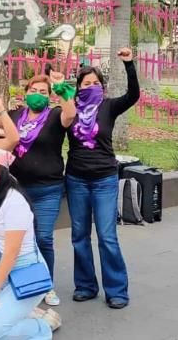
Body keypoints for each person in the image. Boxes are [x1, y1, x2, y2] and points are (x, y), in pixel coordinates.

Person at [0, 70, 76, 306]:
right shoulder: (16, 115)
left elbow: (71, 114)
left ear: (49, 96)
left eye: (43, 92)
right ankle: (17, 282)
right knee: (16, 238)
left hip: (48, 189)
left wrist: (61, 90)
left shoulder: (55, 115)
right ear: (25, 93)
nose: (37, 95)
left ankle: (46, 285)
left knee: (43, 238)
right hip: (17, 190)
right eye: (33, 90)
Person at [65, 47, 139, 310]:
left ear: (102, 88)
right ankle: (85, 285)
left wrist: (129, 64)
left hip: (105, 180)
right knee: (79, 235)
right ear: (78, 87)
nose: (92, 86)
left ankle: (116, 289)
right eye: (86, 83)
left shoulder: (109, 107)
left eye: (96, 83)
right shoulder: (71, 109)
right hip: (76, 180)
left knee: (107, 236)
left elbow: (133, 95)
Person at [0, 148, 61, 339]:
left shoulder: (14, 201)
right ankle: (20, 313)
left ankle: (44, 325)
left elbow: (11, 253)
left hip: (23, 275)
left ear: (3, 172)